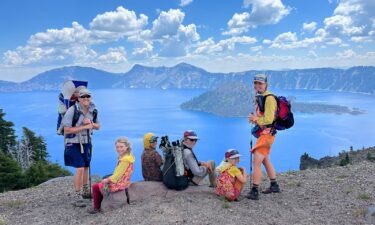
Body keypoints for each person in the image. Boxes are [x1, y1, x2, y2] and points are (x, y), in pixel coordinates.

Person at [62, 88, 100, 206]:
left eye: (88, 96)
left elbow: (98, 126)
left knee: (86, 167)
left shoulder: (93, 110)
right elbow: (66, 130)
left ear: (91, 97)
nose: (86, 98)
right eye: (83, 96)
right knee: (79, 167)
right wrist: (84, 126)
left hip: (87, 142)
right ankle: (77, 195)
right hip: (73, 142)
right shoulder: (71, 111)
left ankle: (85, 190)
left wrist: (91, 124)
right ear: (78, 98)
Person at [246, 74, 280, 200]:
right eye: (255, 83)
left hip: (267, 134)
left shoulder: (269, 98)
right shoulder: (261, 97)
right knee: (265, 160)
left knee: (256, 162)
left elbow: (269, 119)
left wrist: (255, 118)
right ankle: (274, 185)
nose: (257, 85)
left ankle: (254, 191)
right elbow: (262, 118)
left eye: (260, 83)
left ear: (266, 84)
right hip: (264, 133)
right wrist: (255, 119)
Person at [88, 137, 135, 214]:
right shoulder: (129, 156)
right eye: (117, 147)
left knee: (95, 187)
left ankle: (96, 208)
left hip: (120, 183)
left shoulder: (125, 160)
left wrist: (107, 180)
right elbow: (120, 172)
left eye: (121, 147)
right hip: (125, 181)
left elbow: (117, 176)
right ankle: (102, 201)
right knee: (104, 179)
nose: (119, 149)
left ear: (126, 147)